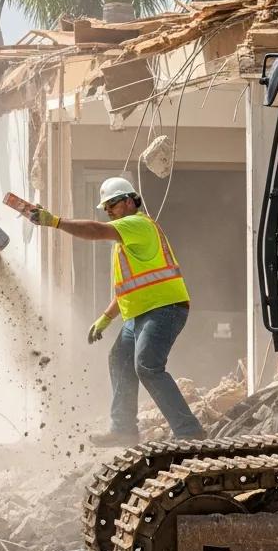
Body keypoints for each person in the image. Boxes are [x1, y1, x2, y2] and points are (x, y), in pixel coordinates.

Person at [31, 177, 204, 446]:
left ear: (128, 201)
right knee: (119, 358)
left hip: (163, 309)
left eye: (112, 204)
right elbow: (130, 288)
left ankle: (189, 430)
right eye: (106, 207)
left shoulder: (138, 224)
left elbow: (95, 230)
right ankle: (123, 429)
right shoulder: (126, 239)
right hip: (140, 313)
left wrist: (55, 222)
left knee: (147, 365)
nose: (108, 210)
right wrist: (106, 317)